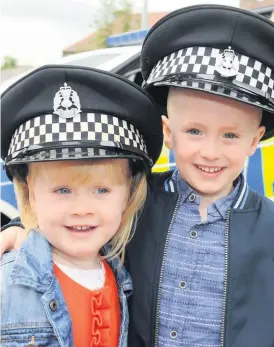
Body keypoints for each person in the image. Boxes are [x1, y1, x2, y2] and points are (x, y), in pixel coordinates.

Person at [2, 5, 274, 347]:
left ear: (255, 140)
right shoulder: (131, 205)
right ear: (168, 131)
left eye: (230, 135)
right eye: (195, 131)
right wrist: (20, 229)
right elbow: (70, 212)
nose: (210, 152)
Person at [0, 65, 162, 347]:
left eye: (101, 190)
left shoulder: (120, 273)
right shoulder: (7, 283)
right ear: (30, 195)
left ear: (129, 195)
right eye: (63, 190)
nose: (82, 209)